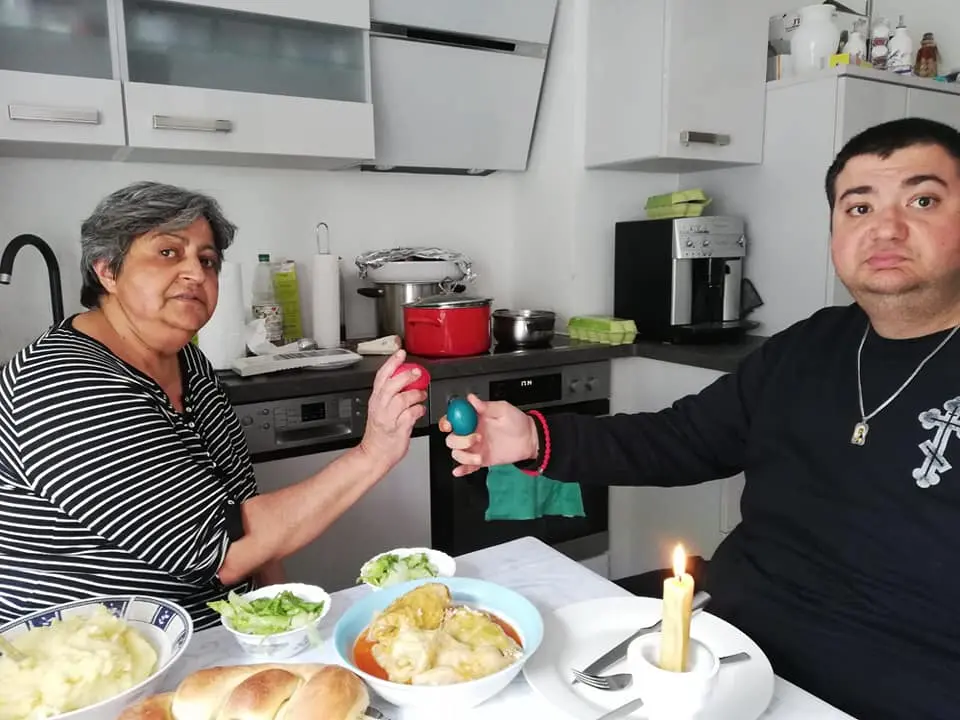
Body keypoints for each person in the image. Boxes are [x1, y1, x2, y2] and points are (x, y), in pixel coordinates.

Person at [442, 117, 960, 720]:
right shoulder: (809, 346)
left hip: (904, 681)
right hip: (728, 638)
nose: (886, 228)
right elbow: (681, 439)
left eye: (923, 201)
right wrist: (536, 436)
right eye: (859, 208)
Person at [0, 181, 426, 629]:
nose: (195, 273)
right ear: (107, 270)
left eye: (207, 260)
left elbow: (244, 513)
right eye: (168, 252)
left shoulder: (190, 364)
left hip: (212, 630)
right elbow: (227, 551)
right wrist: (372, 453)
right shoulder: (63, 384)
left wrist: (285, 624)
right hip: (104, 651)